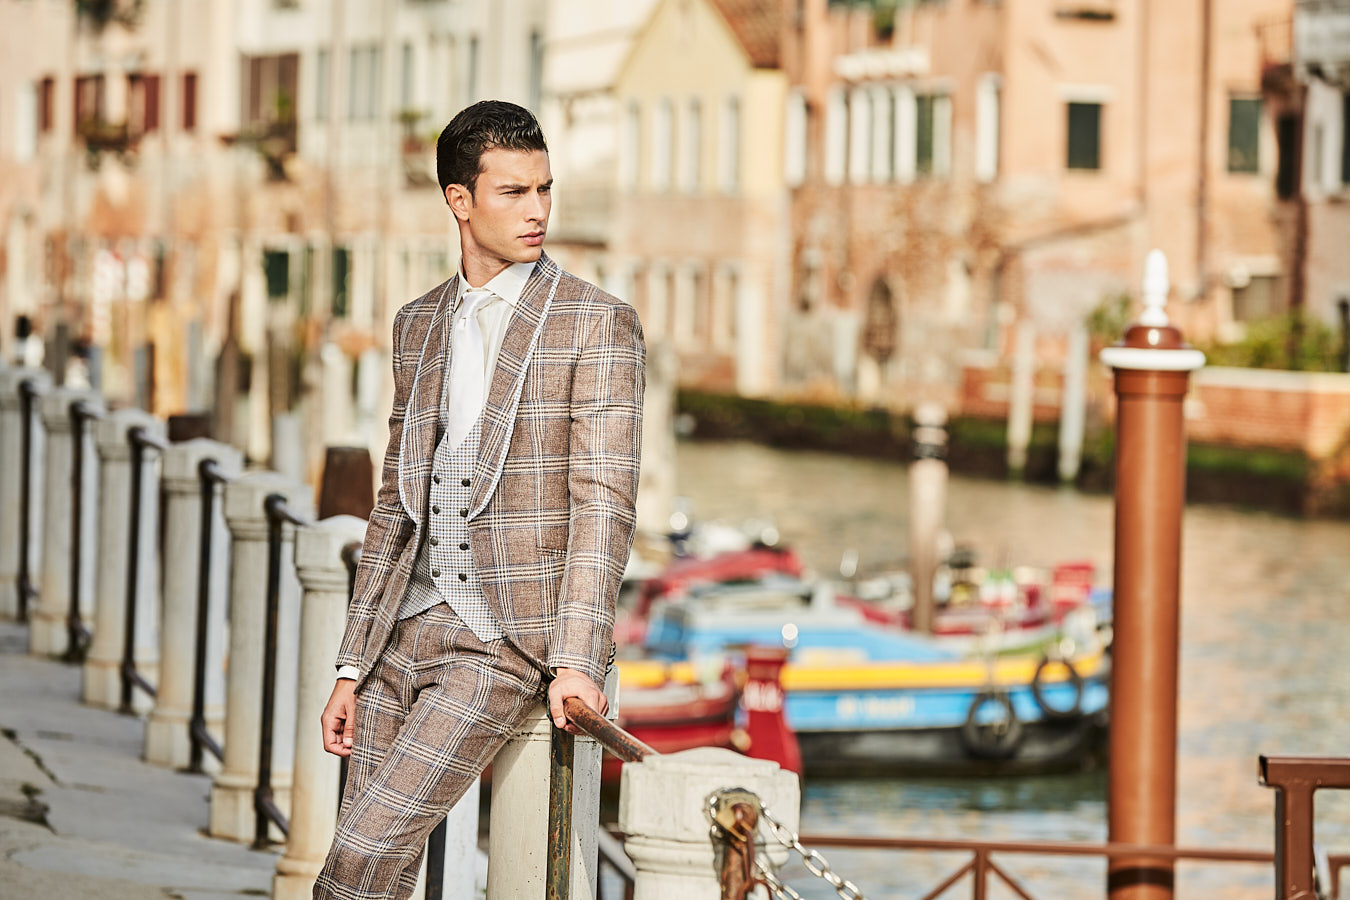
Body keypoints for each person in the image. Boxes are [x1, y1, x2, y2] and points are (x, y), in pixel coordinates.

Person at [313, 100, 645, 900]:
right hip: (403, 630)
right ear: (460, 200)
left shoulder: (595, 323)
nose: (537, 211)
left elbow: (603, 503)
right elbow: (396, 501)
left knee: (355, 860)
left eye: (544, 189)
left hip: (500, 645)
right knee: (379, 877)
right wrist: (352, 663)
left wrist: (575, 658)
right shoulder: (417, 323)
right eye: (512, 192)